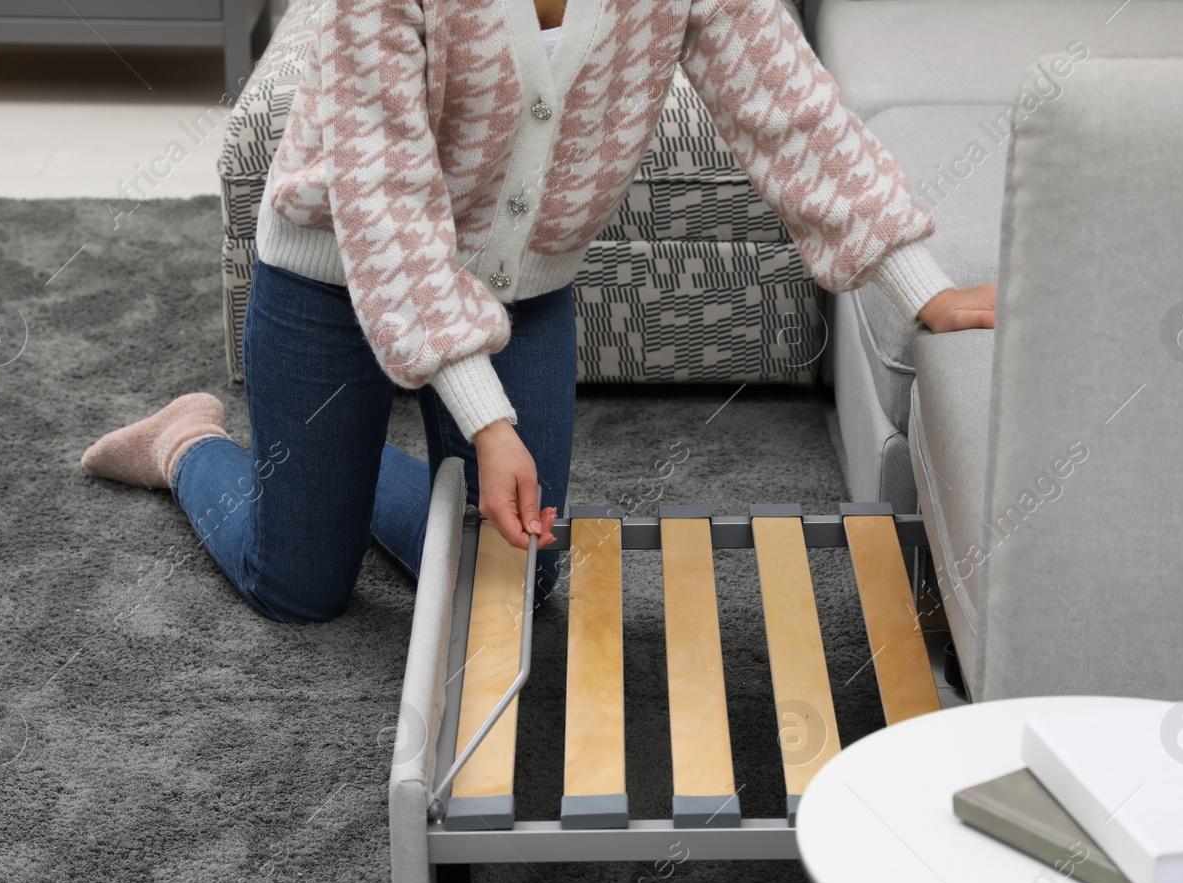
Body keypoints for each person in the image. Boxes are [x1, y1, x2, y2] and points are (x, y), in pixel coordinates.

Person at [80, 0, 996, 624]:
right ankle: (186, 443)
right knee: (297, 588)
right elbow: (387, 200)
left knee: (521, 584)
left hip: (515, 295)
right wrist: (487, 420)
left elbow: (787, 108)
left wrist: (921, 283)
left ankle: (335, 473)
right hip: (333, 275)